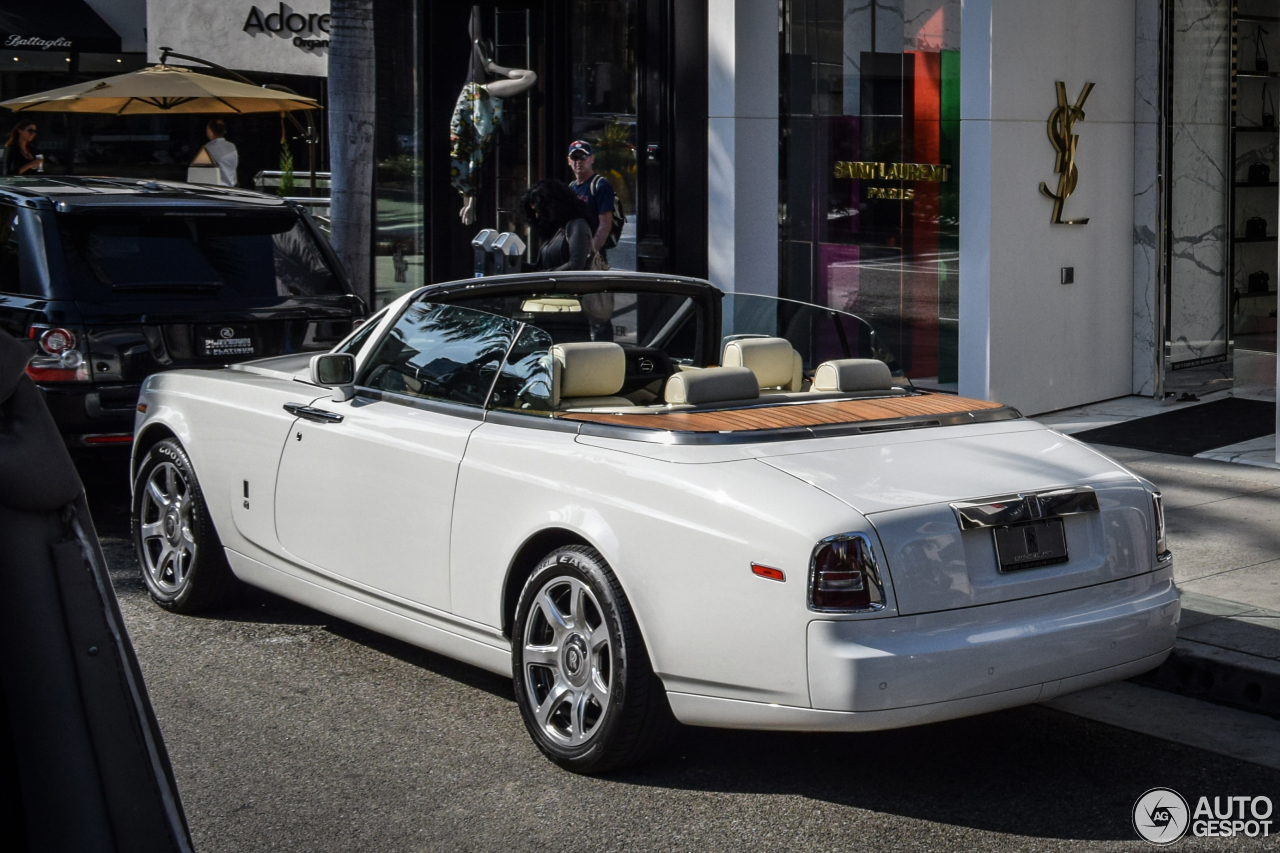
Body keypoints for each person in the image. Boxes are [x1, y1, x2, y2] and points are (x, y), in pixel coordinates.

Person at [522, 179, 596, 271]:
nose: (537, 216)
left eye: (539, 209)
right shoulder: (556, 231)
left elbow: (576, 266)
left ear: (553, 204)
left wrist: (544, 275)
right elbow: (540, 268)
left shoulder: (577, 226)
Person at [566, 140, 615, 255]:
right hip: (573, 250)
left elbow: (605, 225)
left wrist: (590, 252)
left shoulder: (601, 185)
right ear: (569, 161)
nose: (578, 161)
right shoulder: (571, 187)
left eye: (583, 157)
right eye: (574, 157)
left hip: (591, 253)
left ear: (591, 159)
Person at [197, 119, 239, 187]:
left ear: (209, 131)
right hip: (231, 187)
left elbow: (199, 168)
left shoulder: (208, 148)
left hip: (215, 188)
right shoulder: (232, 146)